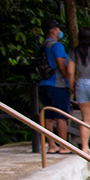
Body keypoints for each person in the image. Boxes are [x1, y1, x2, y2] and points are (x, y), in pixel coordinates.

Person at [37, 22, 73, 152]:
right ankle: (63, 146)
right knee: (61, 116)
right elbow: (61, 65)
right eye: (57, 29)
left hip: (44, 83)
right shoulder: (57, 46)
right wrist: (69, 80)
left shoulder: (43, 45)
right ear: (53, 31)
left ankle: (51, 145)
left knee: (48, 117)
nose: (59, 31)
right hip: (57, 84)